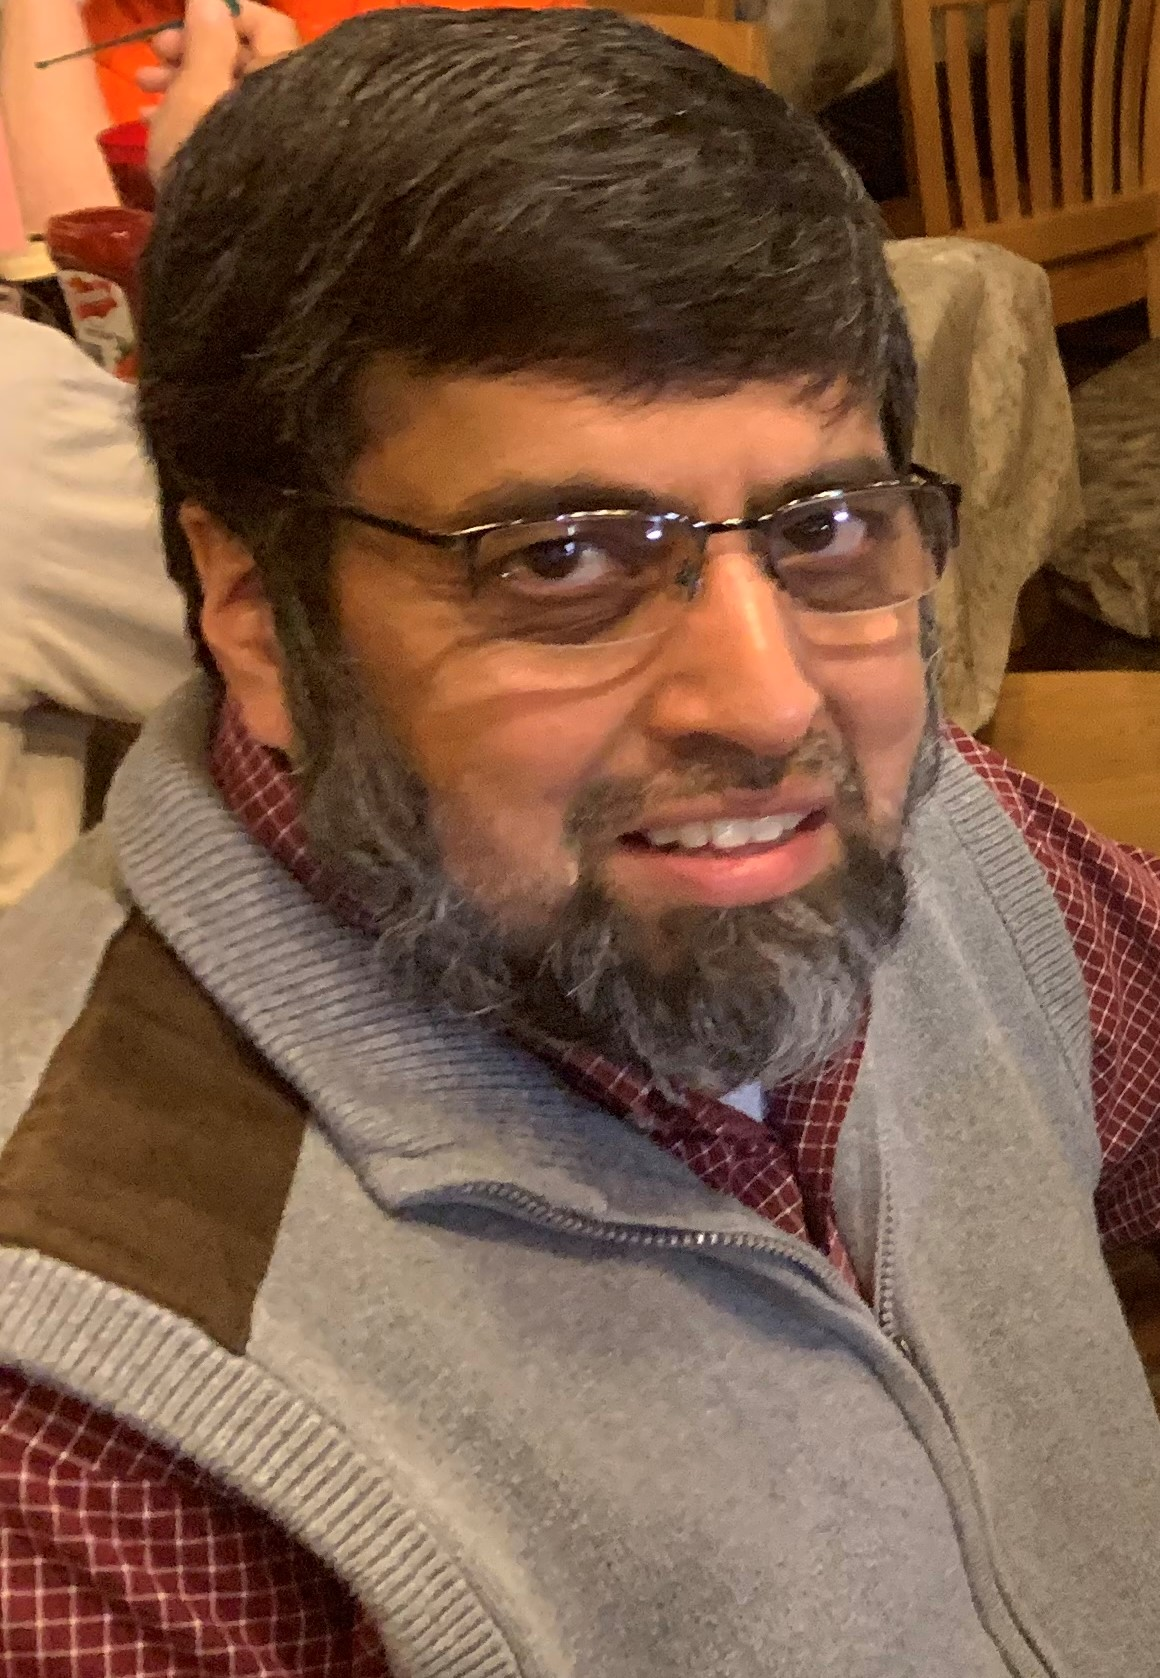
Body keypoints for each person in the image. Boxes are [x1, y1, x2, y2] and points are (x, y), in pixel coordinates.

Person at [1, 7, 1159, 1675]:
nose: (769, 701)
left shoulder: (925, 831)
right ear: (254, 609)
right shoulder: (90, 1427)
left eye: (826, 526)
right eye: (562, 559)